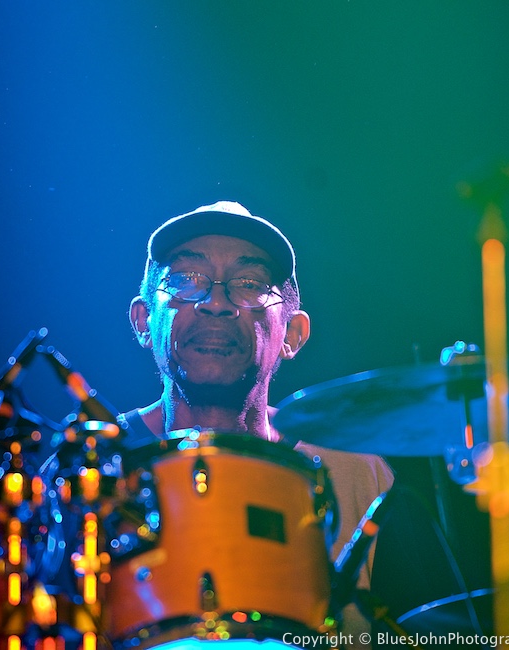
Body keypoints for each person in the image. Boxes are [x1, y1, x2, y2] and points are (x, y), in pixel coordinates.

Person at [119, 200, 394, 649]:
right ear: (144, 321)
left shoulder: (359, 473)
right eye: (186, 280)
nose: (216, 303)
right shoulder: (90, 468)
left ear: (293, 334)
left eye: (249, 284)